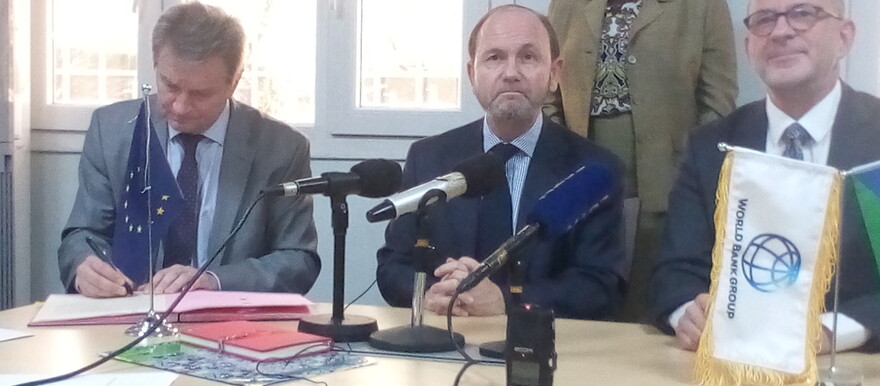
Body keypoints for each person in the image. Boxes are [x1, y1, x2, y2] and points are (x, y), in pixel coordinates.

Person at [650, 0, 880, 352]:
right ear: (749, 47)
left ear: (844, 37)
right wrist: (688, 313)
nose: (781, 31)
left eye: (803, 14)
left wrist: (830, 332)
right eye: (764, 20)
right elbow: (675, 271)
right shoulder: (709, 145)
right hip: (732, 361)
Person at [376, 5, 625, 319]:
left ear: (554, 73)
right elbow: (393, 266)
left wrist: (507, 302)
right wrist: (430, 294)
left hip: (546, 346)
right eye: (494, 58)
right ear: (472, 74)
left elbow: (600, 285)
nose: (511, 73)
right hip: (446, 336)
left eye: (528, 57)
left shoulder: (594, 169)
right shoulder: (429, 158)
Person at [58, 3, 320, 298]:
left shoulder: (281, 149)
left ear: (234, 81)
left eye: (200, 94)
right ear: (155, 63)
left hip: (230, 326)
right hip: (126, 317)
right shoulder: (112, 131)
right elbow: (81, 236)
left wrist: (213, 281)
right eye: (169, 85)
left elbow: (298, 260)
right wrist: (84, 267)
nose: (180, 106)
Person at [544, 0, 738, 322]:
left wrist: (692, 171)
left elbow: (718, 99)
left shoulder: (703, 6)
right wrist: (562, 153)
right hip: (580, 180)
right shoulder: (565, 5)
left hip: (668, 180)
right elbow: (548, 92)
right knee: (583, 301)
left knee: (650, 306)